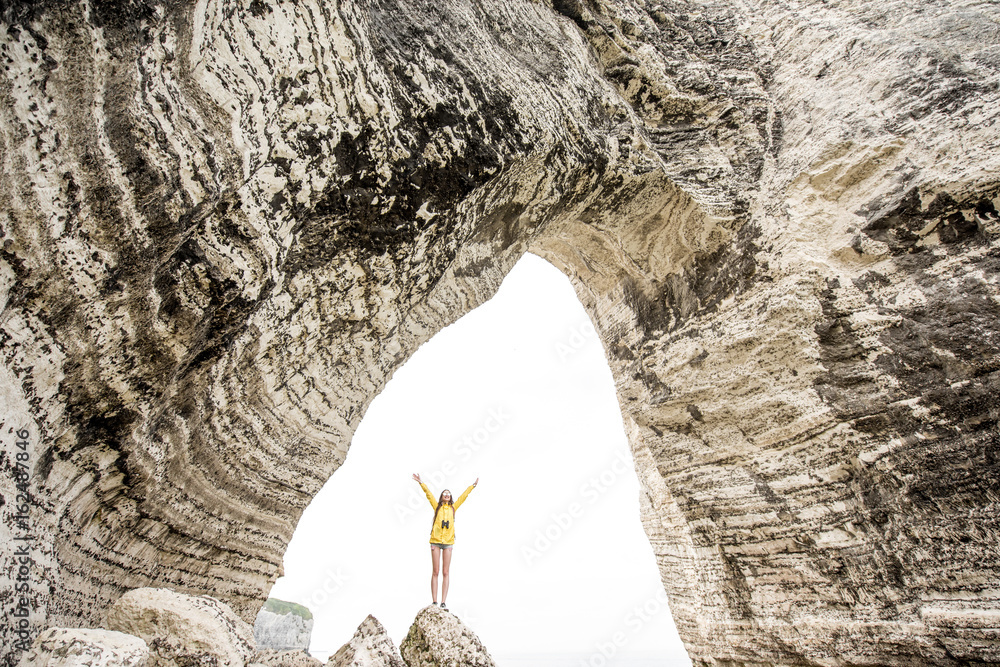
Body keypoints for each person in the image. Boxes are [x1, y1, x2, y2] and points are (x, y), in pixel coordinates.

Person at [411, 473, 478, 611]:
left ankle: (443, 602)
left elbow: (463, 497)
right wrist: (421, 482)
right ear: (442, 497)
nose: (447, 495)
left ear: (450, 497)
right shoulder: (437, 507)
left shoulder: (453, 508)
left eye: (449, 493)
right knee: (435, 571)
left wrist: (472, 486)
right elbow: (429, 494)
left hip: (448, 542)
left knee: (446, 572)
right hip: (435, 541)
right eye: (444, 493)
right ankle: (434, 601)